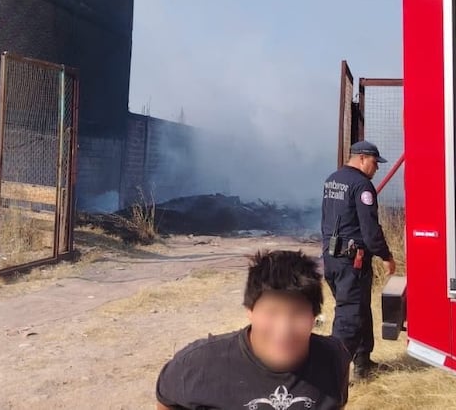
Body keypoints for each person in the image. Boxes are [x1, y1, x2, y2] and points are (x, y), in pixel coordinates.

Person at [155, 250, 350, 410]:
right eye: (271, 312)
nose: (284, 329)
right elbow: (167, 399)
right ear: (250, 311)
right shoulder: (198, 365)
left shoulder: (333, 359)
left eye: (298, 313)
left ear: (313, 316)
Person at [321, 141, 396, 380]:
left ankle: (363, 364)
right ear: (362, 158)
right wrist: (385, 255)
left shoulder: (333, 179)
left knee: (360, 309)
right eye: (375, 163)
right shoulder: (362, 185)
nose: (377, 169)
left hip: (332, 259)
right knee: (350, 316)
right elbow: (370, 229)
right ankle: (333, 374)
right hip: (351, 261)